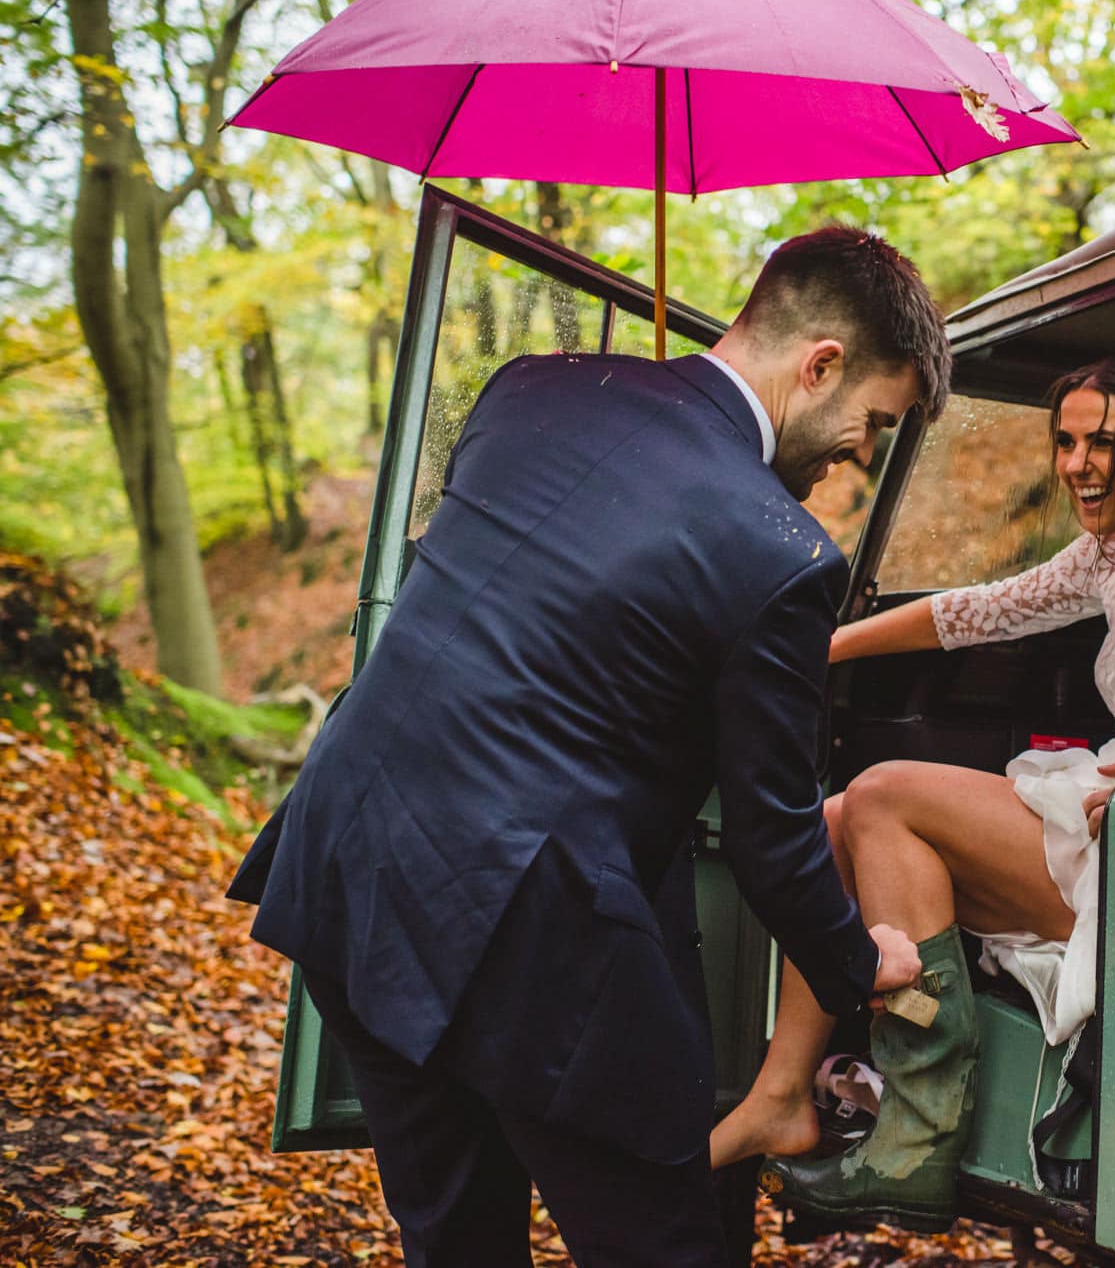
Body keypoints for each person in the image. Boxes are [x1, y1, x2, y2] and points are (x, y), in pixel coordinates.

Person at [225, 226, 949, 1268]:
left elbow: (526, 612)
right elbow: (772, 833)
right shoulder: (782, 556)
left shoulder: (528, 391)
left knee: (454, 1239)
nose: (858, 457)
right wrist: (857, 958)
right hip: (528, 928)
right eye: (870, 423)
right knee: (666, 1243)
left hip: (352, 857)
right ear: (819, 364)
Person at [717, 352, 1115, 1230]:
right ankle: (781, 1092)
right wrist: (823, 648)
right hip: (1101, 807)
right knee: (840, 817)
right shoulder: (1108, 552)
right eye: (1065, 443)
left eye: (1103, 440)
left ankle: (916, 1130)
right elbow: (973, 610)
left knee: (879, 793)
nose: (1080, 464)